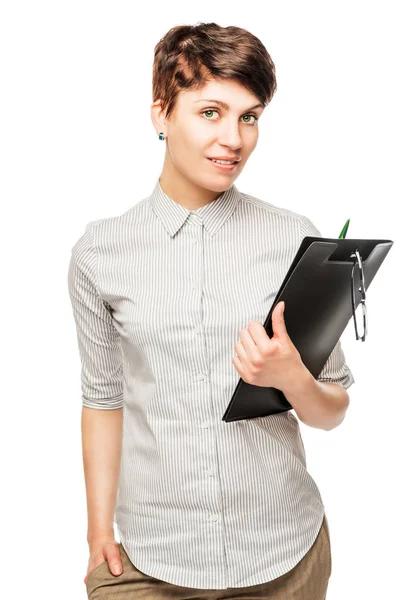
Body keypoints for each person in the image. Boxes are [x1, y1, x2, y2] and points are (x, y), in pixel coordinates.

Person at [68, 22, 355, 600]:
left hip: (285, 554)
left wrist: (291, 378)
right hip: (151, 557)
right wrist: (100, 528)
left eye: (249, 117)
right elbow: (103, 399)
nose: (234, 139)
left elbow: (332, 411)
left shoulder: (293, 238)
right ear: (161, 114)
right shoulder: (99, 254)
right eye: (210, 112)